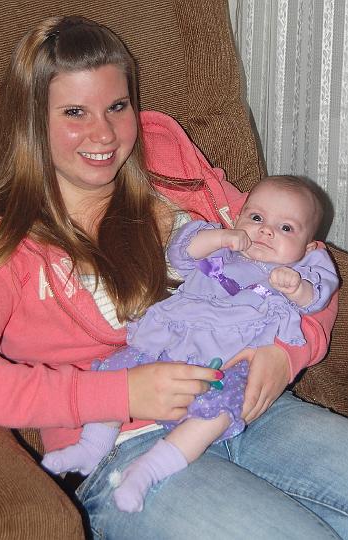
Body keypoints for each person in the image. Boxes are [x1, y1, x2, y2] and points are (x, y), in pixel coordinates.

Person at [0, 14, 347, 540]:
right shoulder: (3, 237)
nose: (104, 133)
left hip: (248, 409)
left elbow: (304, 256)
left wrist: (287, 355)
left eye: (117, 107)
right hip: (119, 446)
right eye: (75, 112)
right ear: (31, 121)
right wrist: (117, 393)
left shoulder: (165, 158)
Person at [42, 175, 338, 513]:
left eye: (286, 229)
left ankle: (150, 469)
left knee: (221, 409)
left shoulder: (300, 268)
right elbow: (182, 252)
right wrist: (223, 237)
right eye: (256, 218)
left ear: (310, 247)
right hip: (170, 341)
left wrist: (297, 291)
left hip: (227, 366)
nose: (266, 230)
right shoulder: (222, 249)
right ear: (239, 217)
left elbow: (318, 294)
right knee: (119, 369)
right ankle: (93, 444)